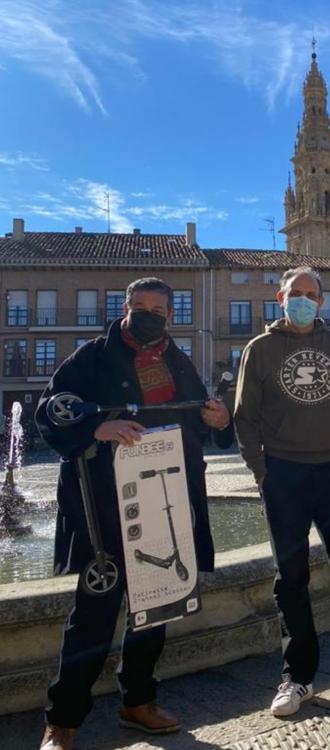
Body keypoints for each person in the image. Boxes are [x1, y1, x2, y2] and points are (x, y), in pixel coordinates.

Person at [35, 278, 233, 750]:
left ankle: (137, 702)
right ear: (124, 308)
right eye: (140, 306)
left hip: (164, 500)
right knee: (94, 614)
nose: (149, 314)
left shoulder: (176, 360)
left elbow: (201, 418)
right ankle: (62, 721)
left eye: (158, 309)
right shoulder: (90, 357)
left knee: (157, 604)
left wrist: (219, 421)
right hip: (102, 506)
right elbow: (49, 410)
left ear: (170, 315)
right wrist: (98, 427)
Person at [234, 266, 330, 717]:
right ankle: (297, 678)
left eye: (310, 294)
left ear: (321, 301)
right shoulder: (259, 349)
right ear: (280, 298)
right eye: (295, 293)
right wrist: (261, 471)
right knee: (292, 579)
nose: (303, 300)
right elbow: (245, 416)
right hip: (283, 474)